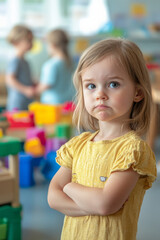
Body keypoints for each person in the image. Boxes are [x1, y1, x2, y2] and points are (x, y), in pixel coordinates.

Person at [47, 38, 157, 240]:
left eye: (113, 84)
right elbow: (53, 198)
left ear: (138, 92)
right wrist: (91, 205)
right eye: (91, 86)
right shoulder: (78, 145)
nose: (100, 94)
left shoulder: (132, 150)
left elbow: (105, 204)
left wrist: (69, 187)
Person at [35, 29, 74, 104]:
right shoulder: (71, 63)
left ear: (52, 45)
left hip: (52, 105)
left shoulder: (51, 65)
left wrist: (35, 91)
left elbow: (46, 85)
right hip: (68, 102)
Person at [6, 24, 35, 111]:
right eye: (28, 40)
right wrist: (26, 90)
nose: (31, 43)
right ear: (16, 42)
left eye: (32, 40)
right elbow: (10, 79)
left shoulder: (25, 61)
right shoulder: (15, 60)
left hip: (26, 101)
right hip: (17, 103)